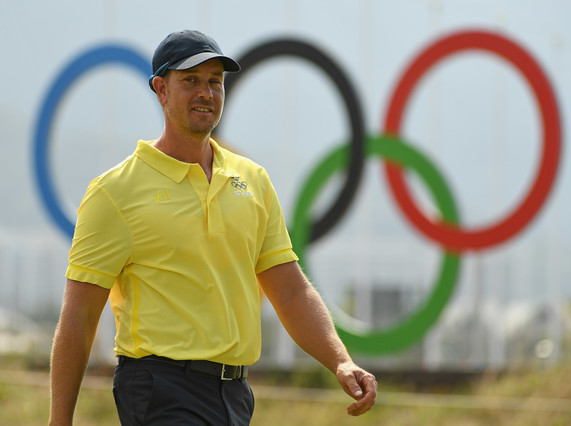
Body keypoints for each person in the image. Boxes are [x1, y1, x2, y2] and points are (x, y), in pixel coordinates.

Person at [48, 29, 377, 425]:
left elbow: (290, 291)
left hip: (235, 394)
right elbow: (79, 317)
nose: (206, 92)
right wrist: (59, 420)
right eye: (190, 80)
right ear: (160, 89)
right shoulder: (114, 192)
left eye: (215, 82)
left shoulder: (253, 180)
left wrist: (340, 361)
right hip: (158, 388)